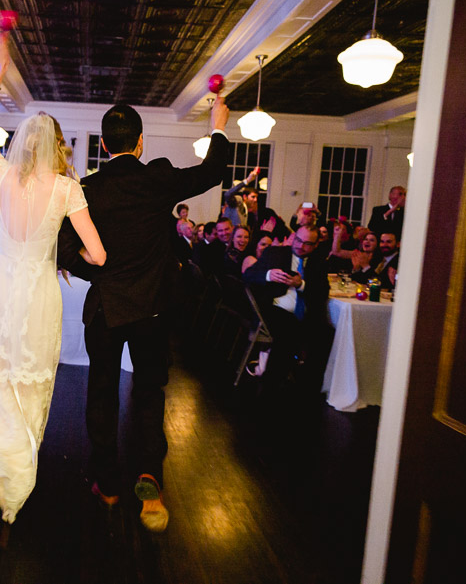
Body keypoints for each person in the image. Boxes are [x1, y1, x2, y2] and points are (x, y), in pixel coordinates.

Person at [58, 93, 231, 533]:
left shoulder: (88, 189)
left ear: (103, 144)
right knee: (150, 391)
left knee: (101, 391)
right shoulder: (158, 179)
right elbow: (212, 172)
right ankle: (149, 478)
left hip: (106, 307)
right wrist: (218, 124)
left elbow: (60, 247)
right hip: (153, 308)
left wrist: (93, 270)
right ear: (139, 144)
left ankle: (108, 482)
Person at [0, 33, 106, 525]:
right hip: (40, 292)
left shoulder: (0, 175)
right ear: (58, 147)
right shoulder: (67, 188)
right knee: (31, 388)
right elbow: (99, 254)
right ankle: (17, 478)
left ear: (22, 144)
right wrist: (65, 255)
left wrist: (0, 68)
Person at [243, 225, 331, 396]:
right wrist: (268, 275)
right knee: (289, 331)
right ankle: (270, 386)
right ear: (294, 237)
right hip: (274, 308)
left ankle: (307, 387)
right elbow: (248, 275)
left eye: (307, 243)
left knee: (326, 334)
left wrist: (302, 285)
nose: (300, 246)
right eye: (298, 240)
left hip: (305, 313)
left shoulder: (318, 261)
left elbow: (322, 291)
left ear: (315, 245)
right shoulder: (275, 253)